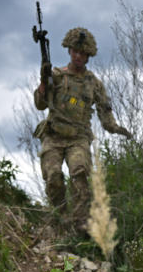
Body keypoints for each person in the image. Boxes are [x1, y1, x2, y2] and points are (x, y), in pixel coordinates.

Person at [33, 27, 131, 221]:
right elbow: (40, 104)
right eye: (75, 51)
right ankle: (59, 218)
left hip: (78, 138)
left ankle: (80, 225)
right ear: (69, 51)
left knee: (80, 177)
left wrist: (116, 129)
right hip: (53, 136)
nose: (78, 56)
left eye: (82, 53)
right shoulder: (58, 75)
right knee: (53, 177)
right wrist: (44, 81)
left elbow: (105, 111)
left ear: (88, 56)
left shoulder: (93, 83)